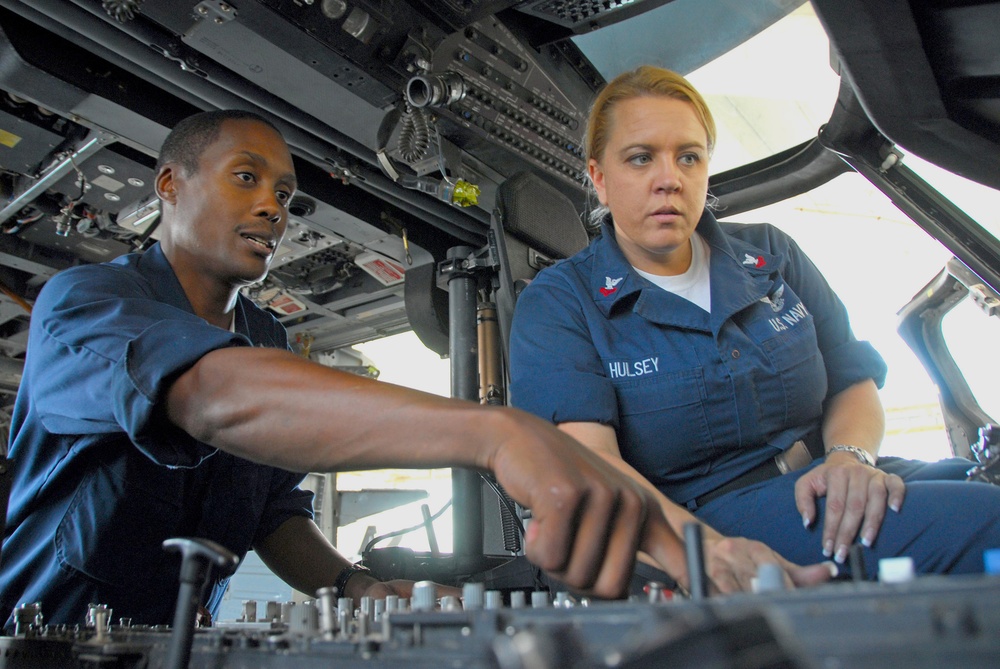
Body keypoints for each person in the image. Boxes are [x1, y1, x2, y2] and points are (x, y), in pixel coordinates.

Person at [0, 109, 691, 629]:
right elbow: (211, 394)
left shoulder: (266, 337)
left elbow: (272, 513)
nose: (273, 206)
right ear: (170, 184)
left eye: (285, 192)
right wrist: (495, 433)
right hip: (46, 640)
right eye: (247, 178)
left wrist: (352, 586)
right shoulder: (85, 304)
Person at [509, 65, 1000, 592]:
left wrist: (851, 458)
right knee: (988, 525)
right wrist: (708, 552)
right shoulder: (562, 303)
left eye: (688, 157)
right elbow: (592, 468)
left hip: (835, 474)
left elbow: (851, 377)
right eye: (640, 158)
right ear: (600, 178)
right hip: (707, 523)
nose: (668, 177)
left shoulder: (771, 253)